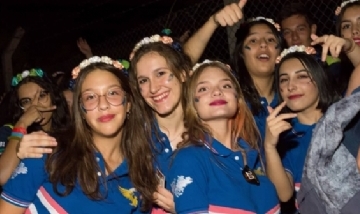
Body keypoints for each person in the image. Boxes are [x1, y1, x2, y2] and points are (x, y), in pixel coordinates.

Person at [0, 56, 157, 213]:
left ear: (128, 103)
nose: (103, 105)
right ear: (81, 109)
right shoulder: (48, 152)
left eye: (113, 93)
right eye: (90, 97)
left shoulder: (141, 172)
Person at [168, 60, 280, 213]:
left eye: (226, 85)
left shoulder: (252, 154)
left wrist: (270, 146)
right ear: (192, 104)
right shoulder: (189, 159)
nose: (217, 92)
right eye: (203, 88)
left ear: (237, 98)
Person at [264, 45, 339, 210]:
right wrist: (270, 147)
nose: (291, 86)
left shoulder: (344, 119)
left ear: (320, 78)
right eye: (284, 79)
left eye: (302, 76)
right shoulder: (287, 136)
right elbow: (284, 194)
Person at [129, 34, 192, 213]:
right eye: (143, 81)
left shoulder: (210, 131)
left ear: (182, 73)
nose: (154, 88)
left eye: (161, 74)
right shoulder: (134, 138)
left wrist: (188, 207)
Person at [0, 68, 70, 185]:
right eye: (26, 101)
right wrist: (22, 123)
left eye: (42, 96)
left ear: (53, 97)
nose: (35, 106)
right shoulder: (8, 132)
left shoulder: (71, 130)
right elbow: (2, 176)